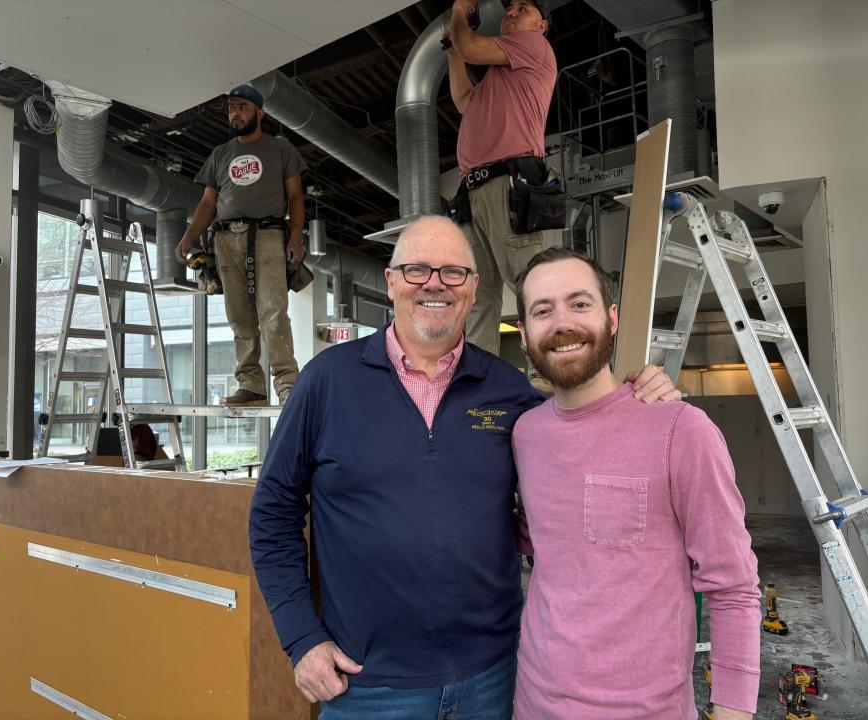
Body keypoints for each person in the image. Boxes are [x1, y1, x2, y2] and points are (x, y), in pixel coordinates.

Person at [249, 216, 680, 719]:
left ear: (474, 291)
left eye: (454, 272)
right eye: (416, 270)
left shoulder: (510, 392)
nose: (434, 283)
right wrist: (302, 637)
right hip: (367, 686)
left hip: (494, 677)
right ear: (391, 283)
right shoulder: (325, 382)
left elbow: (585, 440)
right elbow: (272, 516)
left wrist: (640, 394)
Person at [511, 246, 761, 720]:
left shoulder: (680, 431)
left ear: (612, 318)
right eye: (543, 310)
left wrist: (734, 710)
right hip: (533, 703)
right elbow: (543, 537)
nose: (562, 323)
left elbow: (733, 585)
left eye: (579, 304)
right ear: (524, 335)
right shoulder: (526, 434)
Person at [175, 84, 305, 406]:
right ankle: (251, 385)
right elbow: (208, 203)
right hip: (224, 239)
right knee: (238, 316)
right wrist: (189, 236)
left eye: (243, 107)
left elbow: (296, 197)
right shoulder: (220, 154)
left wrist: (295, 237)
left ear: (260, 113)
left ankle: (287, 383)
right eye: (232, 108)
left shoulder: (280, 149)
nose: (235, 113)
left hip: (267, 235)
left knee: (273, 311)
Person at [446, 0, 556, 356]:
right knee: (477, 298)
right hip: (474, 190)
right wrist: (452, 50)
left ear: (541, 26)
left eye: (523, 8)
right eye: (510, 8)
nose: (512, 11)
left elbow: (471, 46)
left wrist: (461, 12)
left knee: (532, 289)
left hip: (506, 181)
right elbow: (464, 98)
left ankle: (561, 385)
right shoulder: (500, 78)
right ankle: (481, 396)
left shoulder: (534, 46)